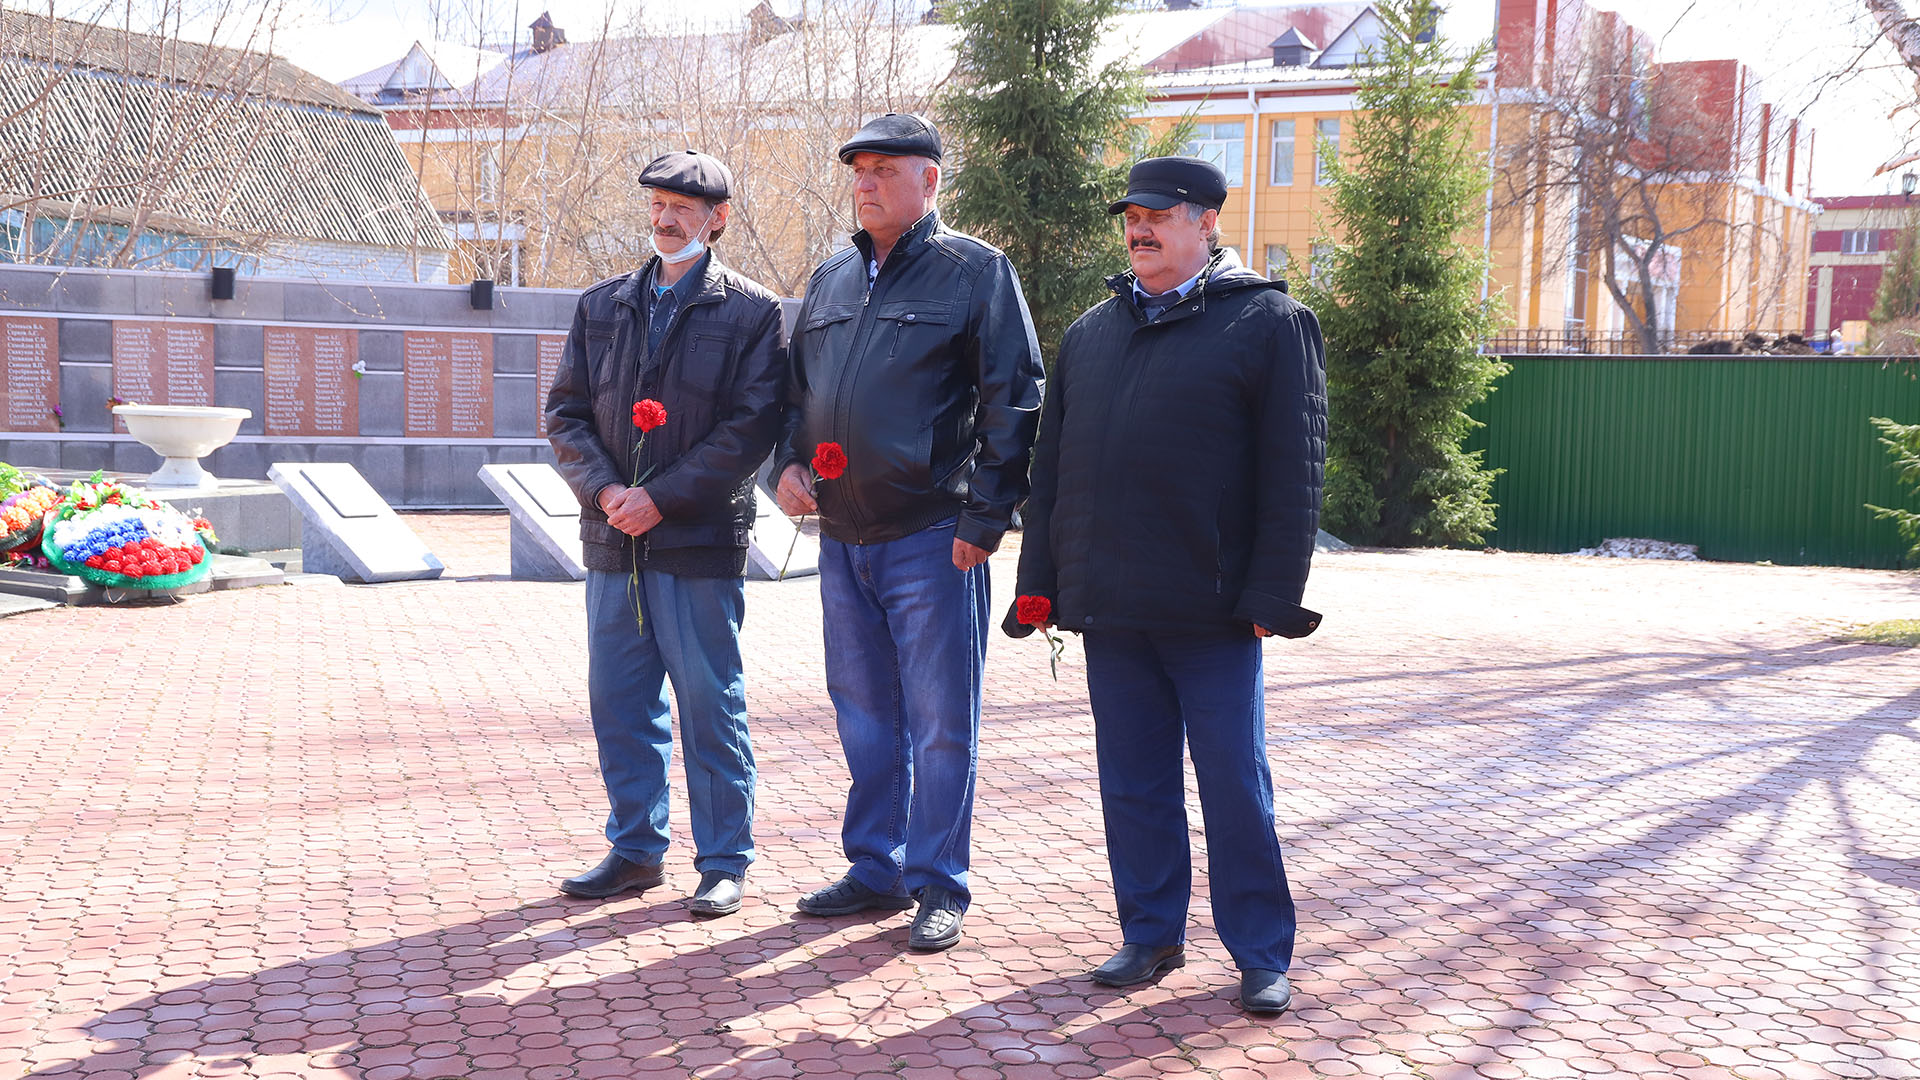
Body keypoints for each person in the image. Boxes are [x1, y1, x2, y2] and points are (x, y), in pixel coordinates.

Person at [1006, 156, 1327, 1013]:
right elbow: (1054, 475)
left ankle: (1261, 953)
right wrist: (1040, 585)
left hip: (1213, 612)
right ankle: (1150, 936)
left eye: (1160, 214)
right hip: (1111, 610)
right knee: (1133, 785)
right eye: (1132, 215)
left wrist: (1270, 598)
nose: (1140, 228)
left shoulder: (1267, 323)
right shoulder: (1090, 334)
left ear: (1207, 222)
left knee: (1233, 785)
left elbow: (1294, 476)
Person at [772, 113, 1044, 951]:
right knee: (861, 710)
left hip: (934, 535)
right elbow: (795, 394)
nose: (866, 182)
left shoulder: (975, 272)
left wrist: (987, 514)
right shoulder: (830, 279)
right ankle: (875, 867)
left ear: (931, 180)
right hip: (842, 536)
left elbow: (1016, 396)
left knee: (939, 716)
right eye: (858, 169)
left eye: (886, 169)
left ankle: (938, 880)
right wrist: (783, 465)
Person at [545, 150, 787, 918]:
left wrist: (664, 498)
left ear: (717, 217)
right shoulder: (603, 304)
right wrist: (608, 489)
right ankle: (635, 850)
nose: (666, 216)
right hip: (614, 539)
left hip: (697, 543)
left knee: (709, 703)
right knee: (618, 700)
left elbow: (750, 428)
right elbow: (566, 415)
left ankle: (723, 860)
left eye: (685, 205)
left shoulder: (753, 313)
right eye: (657, 202)